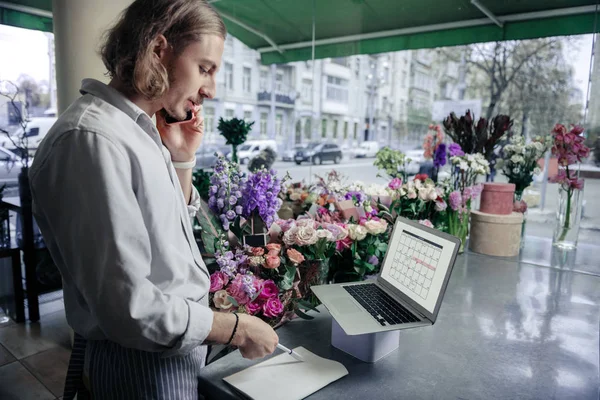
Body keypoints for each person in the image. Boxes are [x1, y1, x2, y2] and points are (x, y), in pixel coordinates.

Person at [29, 1, 278, 399]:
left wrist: (180, 157)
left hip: (173, 349)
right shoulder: (92, 140)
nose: (211, 90)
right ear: (159, 50)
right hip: (142, 363)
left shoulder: (138, 129)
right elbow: (130, 307)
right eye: (206, 68)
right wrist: (236, 328)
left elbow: (165, 236)